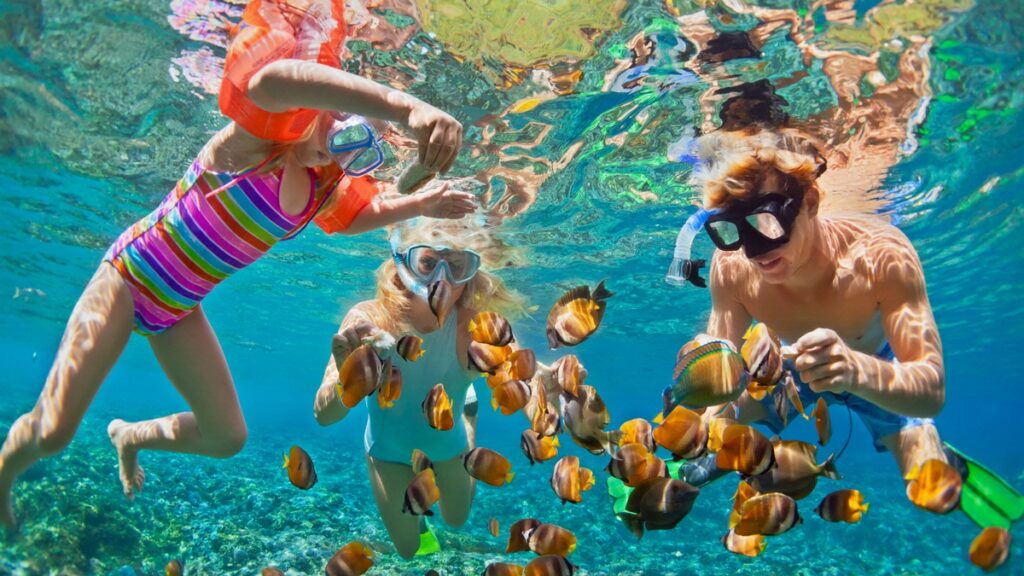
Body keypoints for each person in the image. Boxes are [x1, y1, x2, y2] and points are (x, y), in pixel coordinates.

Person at [0, 0, 479, 532]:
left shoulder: (322, 186)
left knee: (227, 437)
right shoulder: (258, 140)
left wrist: (421, 204)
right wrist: (405, 108)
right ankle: (1, 475)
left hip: (178, 308)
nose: (337, 157)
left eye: (358, 154)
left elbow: (359, 214)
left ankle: (129, 436)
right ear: (323, 104)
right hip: (129, 278)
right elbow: (273, 79)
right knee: (53, 432)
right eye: (341, 134)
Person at [667, 127, 1022, 528]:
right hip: (782, 370)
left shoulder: (881, 255)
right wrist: (704, 415)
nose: (753, 249)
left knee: (928, 490)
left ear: (811, 202)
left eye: (766, 222)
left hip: (875, 367)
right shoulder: (730, 267)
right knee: (717, 432)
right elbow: (721, 380)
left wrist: (855, 371)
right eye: (731, 228)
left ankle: (941, 458)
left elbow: (932, 390)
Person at [313, 216, 525, 559]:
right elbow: (323, 416)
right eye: (427, 263)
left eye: (457, 265)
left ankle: (468, 422)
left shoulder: (474, 324)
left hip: (448, 441)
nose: (440, 279)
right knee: (410, 549)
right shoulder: (368, 319)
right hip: (387, 451)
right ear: (403, 262)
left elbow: (521, 374)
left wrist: (548, 384)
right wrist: (346, 380)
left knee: (456, 520)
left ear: (471, 274)